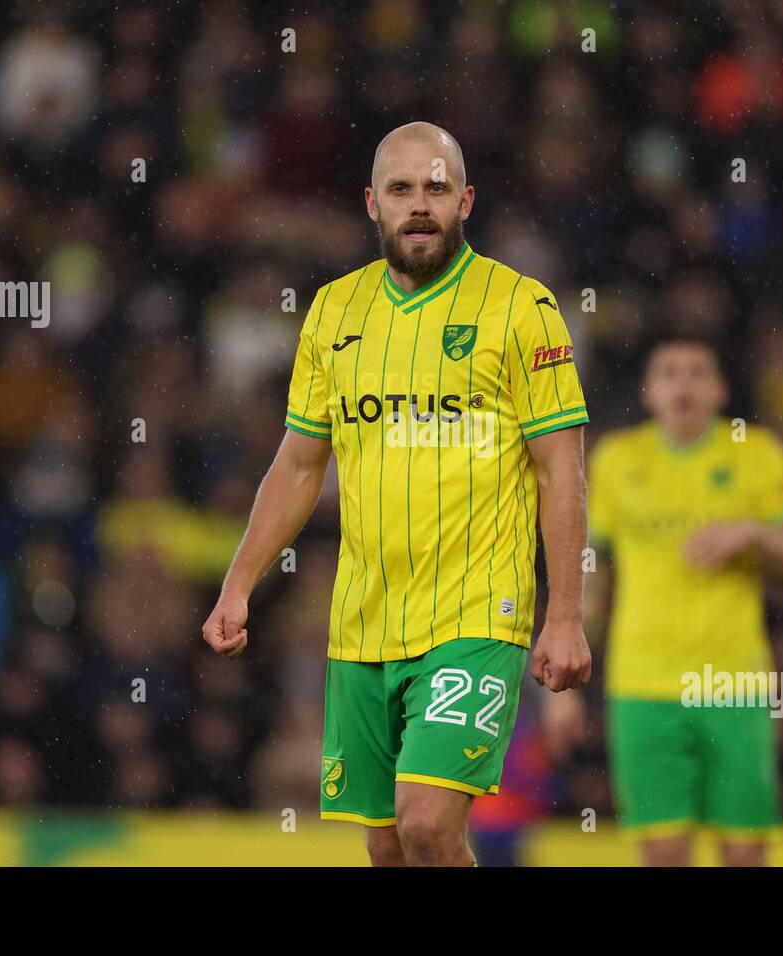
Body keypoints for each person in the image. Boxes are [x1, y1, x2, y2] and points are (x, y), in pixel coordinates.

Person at [202, 122, 592, 866]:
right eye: (402, 189)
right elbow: (297, 464)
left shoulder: (521, 309)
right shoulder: (333, 312)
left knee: (426, 826)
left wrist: (565, 615)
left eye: (437, 189)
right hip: (363, 622)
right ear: (371, 204)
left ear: (466, 200)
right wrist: (238, 583)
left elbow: (560, 470)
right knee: (387, 850)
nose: (420, 205)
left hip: (478, 613)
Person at [561, 334, 783, 866]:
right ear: (649, 392)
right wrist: (565, 674)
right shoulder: (615, 460)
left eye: (698, 372)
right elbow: (593, 572)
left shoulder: (758, 453)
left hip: (733, 681)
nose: (685, 383)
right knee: (664, 851)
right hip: (642, 681)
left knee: (745, 852)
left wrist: (753, 535)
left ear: (720, 390)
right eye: (671, 372)